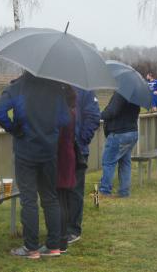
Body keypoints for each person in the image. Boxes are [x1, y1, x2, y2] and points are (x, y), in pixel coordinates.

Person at [0, 72, 69, 259]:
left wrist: (13, 128)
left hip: (26, 150)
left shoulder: (18, 87)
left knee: (29, 200)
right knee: (50, 198)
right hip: (49, 151)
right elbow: (65, 119)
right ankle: (54, 246)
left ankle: (31, 248)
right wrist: (49, 131)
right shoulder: (56, 89)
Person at [66, 88, 100, 245]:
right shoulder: (55, 83)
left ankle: (73, 230)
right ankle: (59, 227)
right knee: (58, 189)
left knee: (75, 190)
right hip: (58, 148)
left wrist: (82, 140)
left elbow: (93, 116)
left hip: (77, 148)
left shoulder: (85, 89)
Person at [99, 92, 140, 197]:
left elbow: (112, 111)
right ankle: (124, 192)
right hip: (132, 132)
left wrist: (98, 115)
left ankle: (104, 191)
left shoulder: (121, 93)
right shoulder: (135, 94)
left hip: (119, 133)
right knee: (125, 162)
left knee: (108, 162)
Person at [56, 87, 77, 254]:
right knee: (62, 199)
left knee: (58, 199)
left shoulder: (64, 115)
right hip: (67, 156)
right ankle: (62, 237)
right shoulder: (71, 112)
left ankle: (59, 239)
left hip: (60, 157)